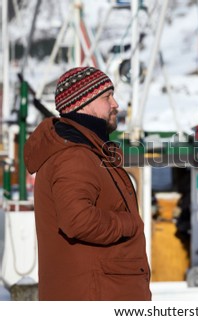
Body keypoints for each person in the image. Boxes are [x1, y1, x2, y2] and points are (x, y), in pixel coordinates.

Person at [24, 66, 152, 301]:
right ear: (82, 104)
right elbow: (78, 220)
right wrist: (129, 223)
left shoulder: (87, 152)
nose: (115, 104)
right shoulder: (74, 156)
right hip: (94, 295)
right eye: (106, 97)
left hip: (99, 291)